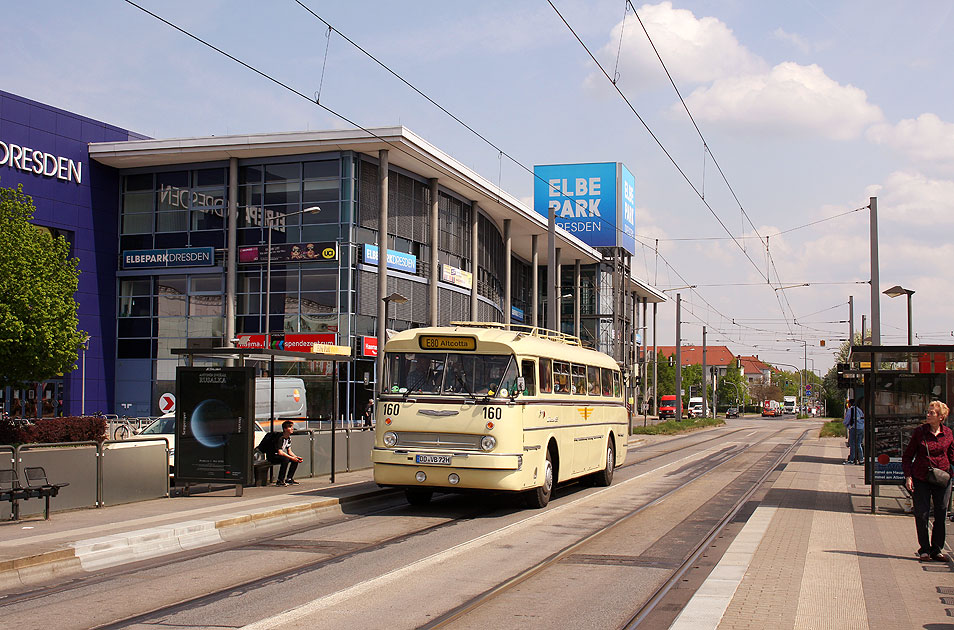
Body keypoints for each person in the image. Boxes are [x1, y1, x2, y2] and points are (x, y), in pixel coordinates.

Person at [902, 400, 953, 562]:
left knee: (941, 511)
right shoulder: (920, 432)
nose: (928, 414)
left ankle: (937, 549)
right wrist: (908, 476)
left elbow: (952, 456)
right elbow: (908, 455)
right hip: (921, 476)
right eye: (928, 411)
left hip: (943, 477)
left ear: (941, 417)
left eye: (932, 412)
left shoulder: (948, 433)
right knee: (922, 513)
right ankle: (924, 549)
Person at [257, 420, 303, 486]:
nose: (292, 428)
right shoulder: (280, 438)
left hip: (279, 455)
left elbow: (289, 451)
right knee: (285, 460)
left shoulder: (288, 439)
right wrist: (292, 458)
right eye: (290, 427)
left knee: (295, 461)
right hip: (272, 456)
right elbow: (280, 452)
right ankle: (280, 480)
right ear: (285, 429)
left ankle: (289, 478)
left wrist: (296, 457)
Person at [843, 399, 864, 465]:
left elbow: (847, 420)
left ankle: (852, 460)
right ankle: (861, 460)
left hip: (854, 428)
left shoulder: (851, 410)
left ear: (850, 404)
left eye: (848, 403)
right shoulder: (859, 410)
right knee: (859, 444)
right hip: (861, 428)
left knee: (852, 444)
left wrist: (846, 425)